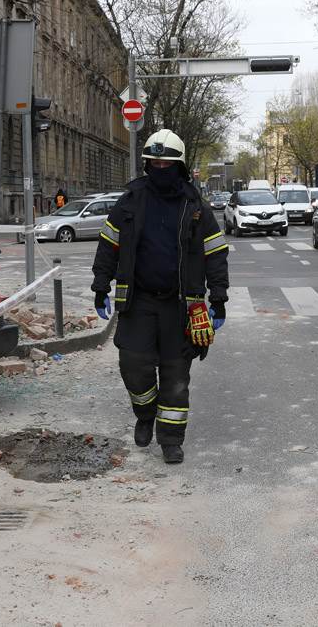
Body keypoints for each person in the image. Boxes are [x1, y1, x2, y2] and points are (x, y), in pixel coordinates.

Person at [91, 129, 229, 465]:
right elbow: (109, 244)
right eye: (153, 162)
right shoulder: (131, 200)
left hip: (181, 306)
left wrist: (218, 299)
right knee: (132, 366)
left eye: (165, 163)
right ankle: (145, 412)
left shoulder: (195, 206)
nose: (159, 168)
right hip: (139, 302)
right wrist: (100, 285)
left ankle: (170, 440)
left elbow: (215, 253)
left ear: (178, 166)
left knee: (175, 376)